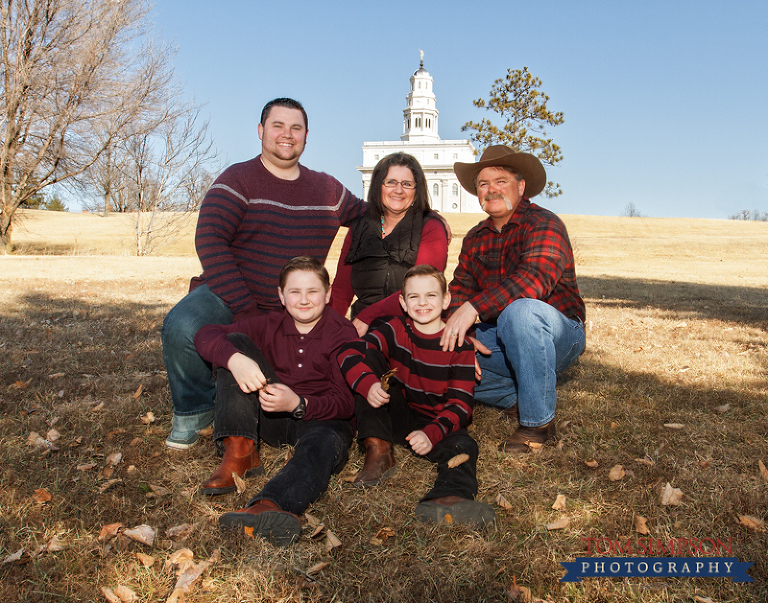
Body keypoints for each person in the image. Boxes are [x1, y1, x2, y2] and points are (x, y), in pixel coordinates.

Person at [161, 97, 366, 449]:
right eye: (278, 126)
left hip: (295, 302)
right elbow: (210, 240)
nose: (287, 135)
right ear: (260, 131)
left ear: (306, 137)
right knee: (183, 326)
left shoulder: (327, 189)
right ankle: (196, 411)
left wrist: (426, 216)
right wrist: (244, 306)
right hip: (230, 294)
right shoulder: (238, 179)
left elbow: (370, 217)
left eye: (296, 128)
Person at [193, 257, 357, 546]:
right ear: (281, 296)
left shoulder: (343, 332)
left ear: (328, 294)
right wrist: (235, 360)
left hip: (320, 419)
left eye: (313, 291)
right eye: (294, 291)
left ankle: (269, 506)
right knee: (236, 346)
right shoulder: (270, 323)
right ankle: (240, 450)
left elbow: (345, 402)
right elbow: (206, 334)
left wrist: (299, 403)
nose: (304, 300)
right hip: (269, 416)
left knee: (324, 444)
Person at [441, 145, 586, 454]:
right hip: (501, 339)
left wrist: (475, 307)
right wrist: (462, 337)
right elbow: (460, 290)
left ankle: (537, 424)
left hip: (557, 334)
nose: (491, 189)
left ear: (521, 187)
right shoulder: (475, 238)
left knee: (518, 313)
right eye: (483, 183)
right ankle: (516, 398)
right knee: (445, 349)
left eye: (501, 181)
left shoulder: (545, 223)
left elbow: (535, 279)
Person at [338, 265, 495, 528]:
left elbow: (460, 405)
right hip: (397, 412)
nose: (422, 303)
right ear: (403, 302)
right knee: (371, 356)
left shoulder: (460, 344)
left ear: (446, 300)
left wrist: (431, 433)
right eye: (414, 297)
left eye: (431, 296)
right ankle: (378, 449)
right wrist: (367, 384)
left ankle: (448, 497)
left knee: (465, 447)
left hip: (438, 421)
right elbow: (349, 350)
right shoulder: (396, 328)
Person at [331, 152, 448, 336]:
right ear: (379, 186)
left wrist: (367, 317)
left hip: (411, 331)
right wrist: (328, 329)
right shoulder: (359, 228)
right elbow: (340, 291)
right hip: (364, 331)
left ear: (417, 190)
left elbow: (422, 289)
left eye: (407, 184)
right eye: (391, 182)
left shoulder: (430, 227)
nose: (399, 190)